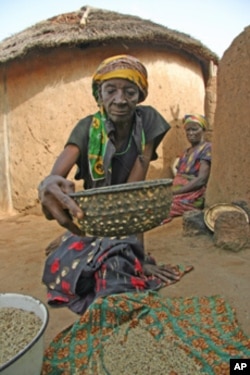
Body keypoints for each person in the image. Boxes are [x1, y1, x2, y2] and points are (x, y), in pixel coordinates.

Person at [38, 54, 192, 314]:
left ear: (140, 95)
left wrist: (141, 258)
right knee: (57, 266)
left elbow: (132, 194)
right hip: (93, 215)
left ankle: (94, 245)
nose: (120, 100)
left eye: (130, 91)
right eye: (110, 90)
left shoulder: (148, 121)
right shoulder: (87, 127)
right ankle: (75, 238)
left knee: (117, 270)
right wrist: (48, 183)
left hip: (127, 214)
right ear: (99, 95)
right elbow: (57, 174)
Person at [162, 113, 211, 224]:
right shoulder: (185, 152)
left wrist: (177, 192)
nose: (190, 133)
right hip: (178, 191)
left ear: (203, 130)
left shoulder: (207, 148)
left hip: (193, 193)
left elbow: (201, 179)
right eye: (188, 130)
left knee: (163, 207)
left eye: (195, 129)